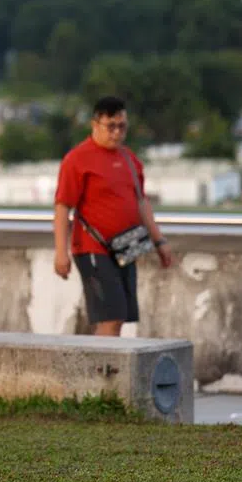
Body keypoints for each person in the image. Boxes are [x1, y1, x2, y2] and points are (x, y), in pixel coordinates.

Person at [53, 96, 174, 335]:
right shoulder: (77, 160)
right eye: (111, 127)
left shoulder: (130, 159)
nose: (117, 133)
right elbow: (63, 207)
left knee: (120, 317)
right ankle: (101, 360)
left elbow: (141, 201)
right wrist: (60, 252)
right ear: (95, 125)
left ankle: (104, 358)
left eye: (122, 127)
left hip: (126, 247)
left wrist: (159, 240)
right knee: (110, 316)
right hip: (93, 247)